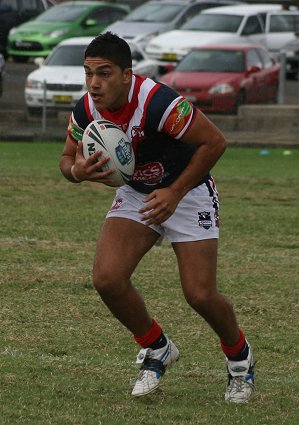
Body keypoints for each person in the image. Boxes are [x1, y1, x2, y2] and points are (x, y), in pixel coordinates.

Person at [59, 32, 255, 403]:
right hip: (137, 194)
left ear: (127, 75)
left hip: (188, 191)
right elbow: (66, 160)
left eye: (104, 73)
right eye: (88, 73)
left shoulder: (158, 102)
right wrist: (78, 172)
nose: (94, 83)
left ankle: (240, 359)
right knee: (107, 279)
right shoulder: (87, 108)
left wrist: (175, 192)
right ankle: (157, 349)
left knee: (199, 294)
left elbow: (215, 142)